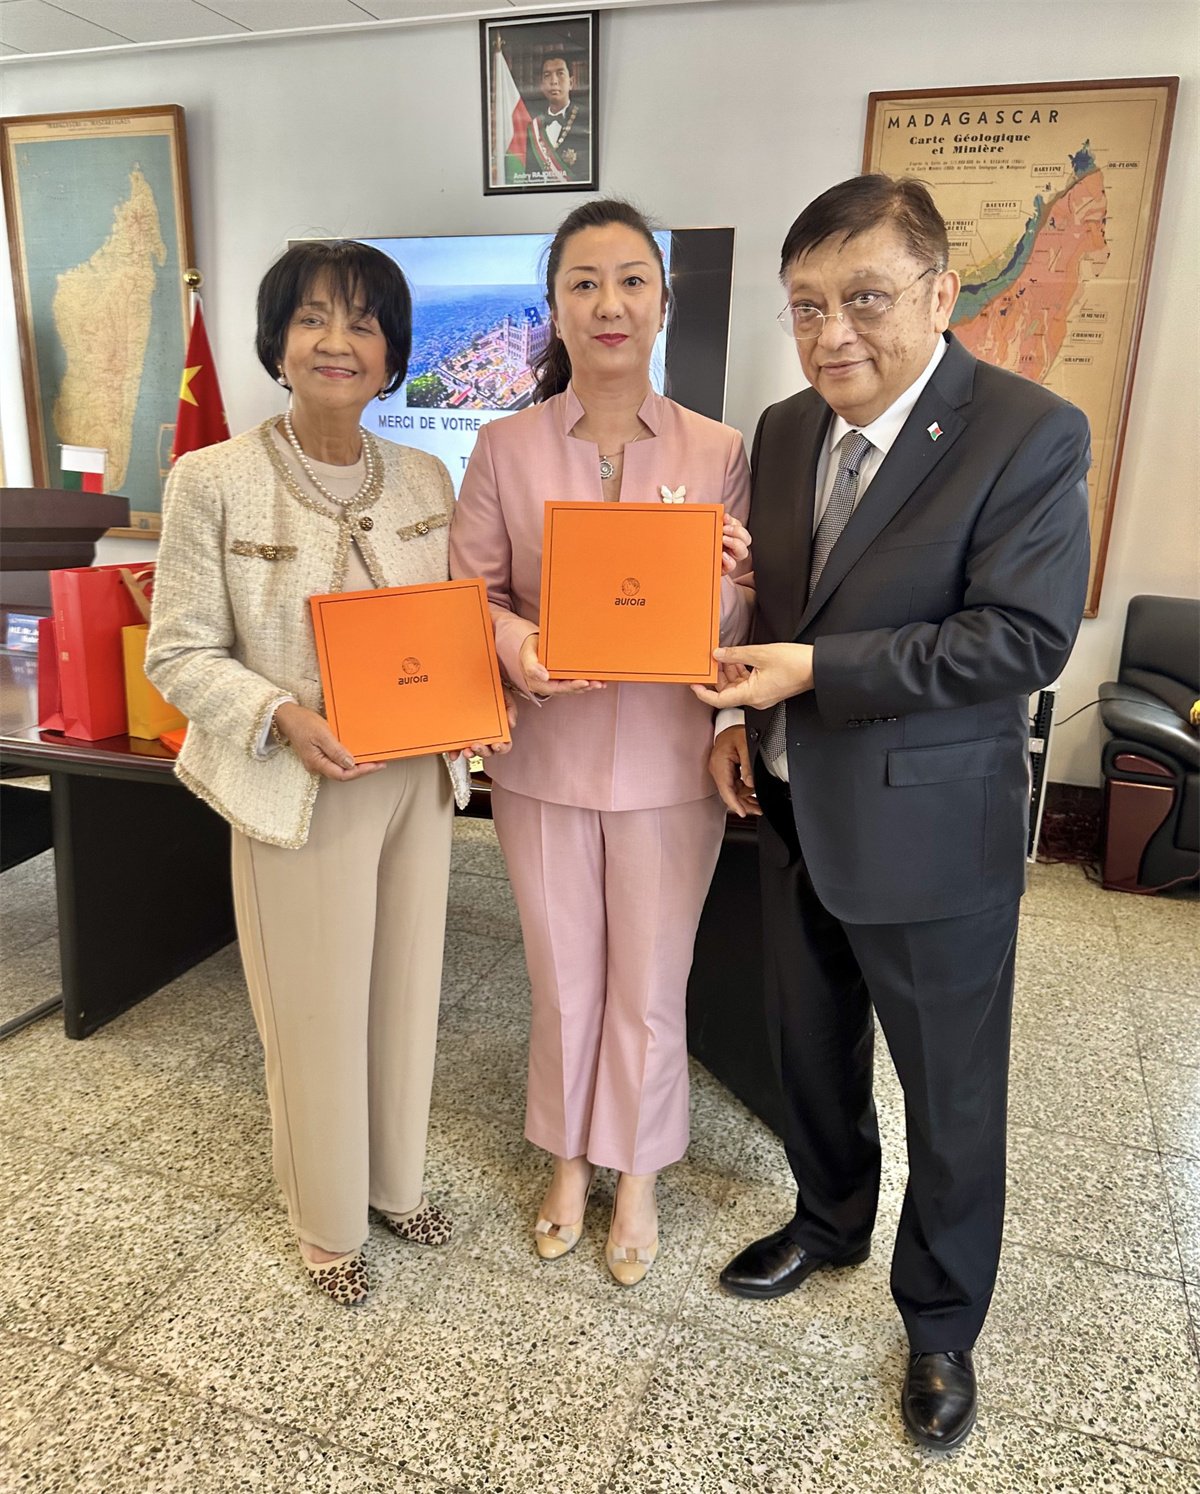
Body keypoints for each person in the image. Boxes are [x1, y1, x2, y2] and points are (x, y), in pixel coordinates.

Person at [694, 175, 1090, 1448]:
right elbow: (781, 610)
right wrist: (733, 716)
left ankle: (941, 1321)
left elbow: (1020, 640)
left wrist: (818, 671)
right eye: (807, 306)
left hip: (931, 832)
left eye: (864, 299)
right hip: (792, 803)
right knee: (809, 1050)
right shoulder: (784, 429)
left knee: (951, 1095)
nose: (832, 335)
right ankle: (828, 1221)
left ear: (938, 293)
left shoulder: (1027, 432)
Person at [146, 240, 509, 1305]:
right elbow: (178, 652)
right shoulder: (212, 478)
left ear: (394, 352)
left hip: (418, 783)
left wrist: (478, 706)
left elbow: (451, 626)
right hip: (296, 789)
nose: (336, 341)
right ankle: (327, 1221)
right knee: (313, 1012)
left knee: (404, 997)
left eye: (362, 321)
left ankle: (395, 1183)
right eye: (311, 317)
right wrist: (280, 715)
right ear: (278, 343)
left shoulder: (425, 476)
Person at [449, 199, 753, 1285]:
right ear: (556, 307)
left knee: (651, 983)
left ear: (663, 304)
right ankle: (569, 1158)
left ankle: (639, 1174)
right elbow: (470, 596)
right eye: (584, 283)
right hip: (546, 756)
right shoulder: (505, 447)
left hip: (672, 763)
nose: (609, 303)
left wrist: (731, 578)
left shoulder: (719, 450)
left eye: (632, 280)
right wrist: (519, 645)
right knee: (564, 977)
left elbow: (739, 625)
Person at [523, 51, 590, 184]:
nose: (553, 81)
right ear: (541, 85)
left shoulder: (587, 120)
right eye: (547, 75)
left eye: (560, 73)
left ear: (571, 82)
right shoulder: (533, 126)